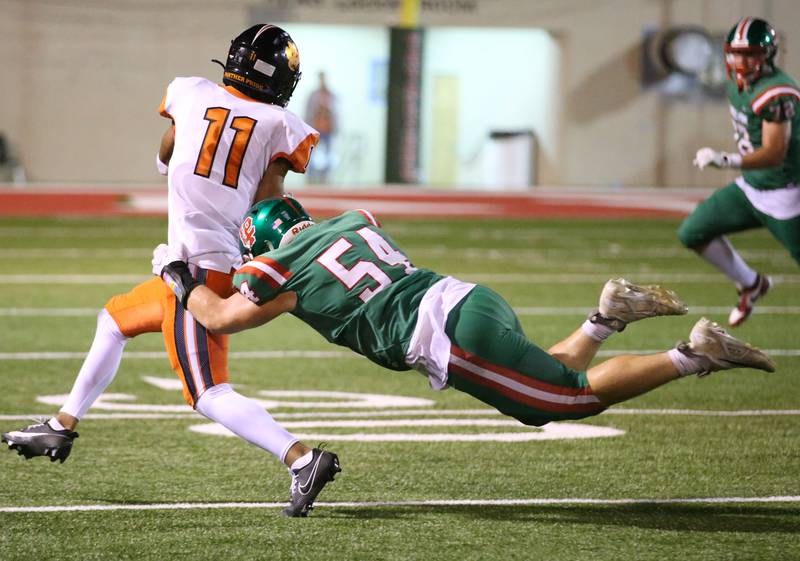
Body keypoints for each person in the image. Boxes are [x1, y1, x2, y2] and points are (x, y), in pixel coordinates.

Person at [2, 25, 339, 518]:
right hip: (206, 262)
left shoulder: (190, 92)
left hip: (198, 273)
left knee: (207, 391)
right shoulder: (280, 125)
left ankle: (302, 458)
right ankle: (61, 423)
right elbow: (268, 203)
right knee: (114, 320)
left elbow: (166, 152)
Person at [154, 196, 775, 434]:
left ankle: (694, 355)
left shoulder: (279, 267)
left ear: (265, 241)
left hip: (447, 335)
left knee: (561, 402)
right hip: (468, 299)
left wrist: (176, 277)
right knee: (545, 374)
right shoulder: (349, 220)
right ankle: (605, 317)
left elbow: (220, 318)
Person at [681, 16, 800, 327]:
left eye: (750, 54)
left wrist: (726, 160)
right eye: (736, 53)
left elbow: (775, 153)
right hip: (752, 187)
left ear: (767, 55)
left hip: (787, 192)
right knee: (693, 231)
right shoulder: (738, 84)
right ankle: (751, 283)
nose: (742, 61)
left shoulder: (777, 93)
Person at [304, 71, 338, 183]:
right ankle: (312, 178)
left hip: (327, 130)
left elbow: (335, 113)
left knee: (328, 155)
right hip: (316, 129)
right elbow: (308, 112)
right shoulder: (313, 95)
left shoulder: (330, 95)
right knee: (312, 155)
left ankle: (325, 178)